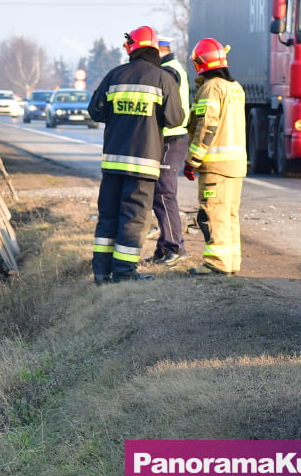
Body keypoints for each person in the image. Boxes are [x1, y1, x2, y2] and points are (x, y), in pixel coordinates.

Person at [88, 25, 185, 284]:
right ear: (154, 48)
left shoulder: (114, 75)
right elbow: (176, 119)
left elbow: (95, 112)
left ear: (131, 48)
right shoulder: (163, 78)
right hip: (144, 165)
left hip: (112, 163)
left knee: (108, 216)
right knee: (133, 219)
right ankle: (123, 273)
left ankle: (101, 272)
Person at [181, 38, 247, 275]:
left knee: (213, 213)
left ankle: (216, 264)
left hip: (216, 166)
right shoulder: (235, 87)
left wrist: (192, 160)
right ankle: (231, 262)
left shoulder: (210, 88)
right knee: (228, 214)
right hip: (235, 165)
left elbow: (206, 125)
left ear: (200, 62)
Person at [147, 36, 190, 265]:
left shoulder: (168, 72)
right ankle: (164, 248)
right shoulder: (171, 68)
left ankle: (175, 247)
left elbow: (165, 108)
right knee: (160, 194)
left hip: (171, 138)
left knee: (164, 194)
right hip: (171, 137)